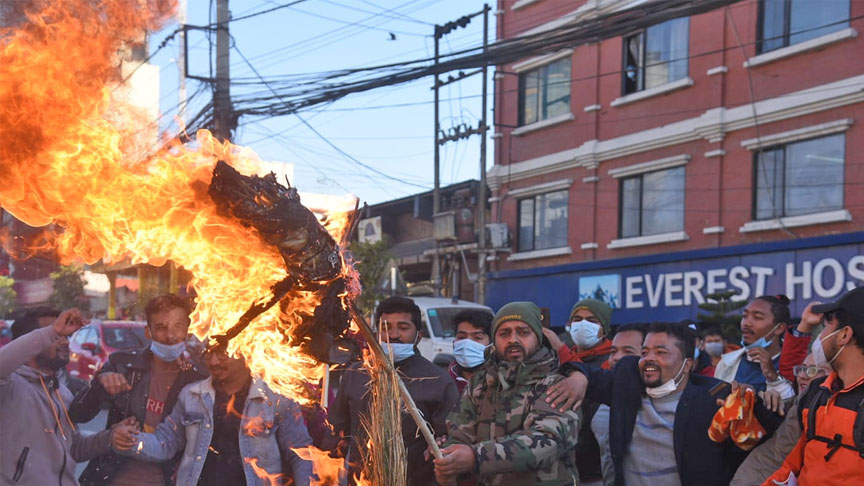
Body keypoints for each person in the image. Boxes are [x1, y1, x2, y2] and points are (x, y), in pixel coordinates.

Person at [553, 322, 780, 486]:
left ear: (687, 364)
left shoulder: (715, 397)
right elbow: (590, 375)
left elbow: (768, 435)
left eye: (661, 352)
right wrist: (578, 377)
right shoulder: (626, 386)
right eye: (645, 352)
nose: (650, 358)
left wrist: (767, 399)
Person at [112, 343, 313, 486]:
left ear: (245, 350)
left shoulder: (276, 399)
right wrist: (129, 440)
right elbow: (165, 443)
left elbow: (301, 454)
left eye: (223, 353)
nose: (214, 361)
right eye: (209, 353)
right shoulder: (192, 396)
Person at [434, 301, 580, 486]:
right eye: (504, 333)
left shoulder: (557, 384)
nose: (513, 339)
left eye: (523, 332)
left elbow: (547, 442)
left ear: (538, 337)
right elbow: (459, 434)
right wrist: (449, 462)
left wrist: (475, 457)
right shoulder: (480, 384)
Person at [70, 294, 208, 486]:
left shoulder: (197, 379)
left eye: (178, 326)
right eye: (161, 327)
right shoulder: (123, 365)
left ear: (188, 329)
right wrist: (99, 384)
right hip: (111, 478)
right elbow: (78, 414)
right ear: (148, 332)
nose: (170, 336)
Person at [329, 296, 459, 486]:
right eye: (385, 327)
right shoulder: (356, 373)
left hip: (417, 480)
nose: (394, 334)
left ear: (419, 335)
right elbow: (337, 428)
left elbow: (449, 438)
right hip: (361, 479)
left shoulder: (437, 380)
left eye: (403, 328)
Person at [0, 308, 120, 486]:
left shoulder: (62, 392)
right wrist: (50, 332)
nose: (64, 341)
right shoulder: (10, 385)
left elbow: (74, 448)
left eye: (66, 336)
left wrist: (111, 437)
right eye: (56, 336)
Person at [761, 287, 864, 485]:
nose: (820, 337)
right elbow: (790, 468)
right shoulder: (819, 391)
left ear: (844, 335)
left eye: (826, 327)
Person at [730, 346, 832, 486]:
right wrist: (754, 399)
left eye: (812, 370)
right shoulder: (788, 406)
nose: (802, 375)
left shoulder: (826, 410)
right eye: (801, 369)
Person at [542, 297, 612, 484]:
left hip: (596, 471)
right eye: (577, 319)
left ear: (604, 329)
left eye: (592, 320)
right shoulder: (557, 359)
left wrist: (559, 348)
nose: (583, 324)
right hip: (563, 467)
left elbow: (596, 383)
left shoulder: (613, 359)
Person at [714, 296, 803, 399]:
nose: (746, 323)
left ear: (779, 328)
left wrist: (772, 376)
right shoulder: (726, 363)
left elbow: (792, 408)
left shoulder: (795, 366)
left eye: (757, 317)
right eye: (744, 316)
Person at [591, 323, 646, 486]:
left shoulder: (661, 401)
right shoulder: (600, 398)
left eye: (628, 352)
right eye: (613, 351)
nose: (616, 358)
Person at [449, 309, 493, 395]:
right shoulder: (442, 382)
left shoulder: (502, 384)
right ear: (454, 342)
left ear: (491, 344)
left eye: (477, 338)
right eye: (461, 337)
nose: (467, 343)